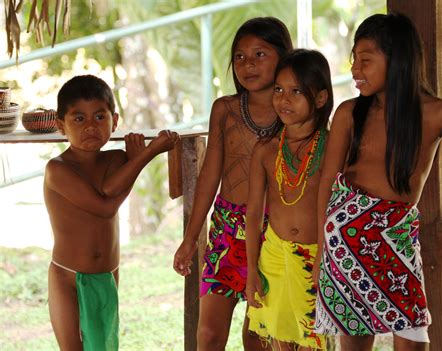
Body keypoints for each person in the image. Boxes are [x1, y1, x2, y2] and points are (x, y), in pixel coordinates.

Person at [314, 13, 442, 351]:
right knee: (354, 344)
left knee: (413, 338)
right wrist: (320, 254)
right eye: (354, 60)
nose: (356, 69)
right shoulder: (348, 113)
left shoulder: (437, 113)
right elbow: (327, 184)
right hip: (344, 243)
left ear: (398, 59)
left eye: (366, 60)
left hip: (396, 238)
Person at [173, 17, 293, 350]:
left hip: (275, 233)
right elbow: (210, 174)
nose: (248, 64)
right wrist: (190, 238)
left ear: (284, 57)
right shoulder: (225, 109)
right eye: (239, 57)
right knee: (208, 334)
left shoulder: (294, 111)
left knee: (259, 335)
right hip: (228, 230)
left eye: (259, 54)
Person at [44, 74, 179, 351]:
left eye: (99, 117)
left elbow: (111, 187)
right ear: (61, 126)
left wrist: (133, 160)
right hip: (67, 277)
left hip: (107, 274)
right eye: (78, 119)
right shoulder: (58, 170)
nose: (90, 127)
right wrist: (145, 155)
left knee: (104, 346)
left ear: (114, 121)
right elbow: (105, 206)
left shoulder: (116, 159)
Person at [245, 49, 331, 351]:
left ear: (320, 98)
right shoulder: (266, 150)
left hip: (316, 258)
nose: (284, 99)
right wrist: (252, 270)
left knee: (315, 342)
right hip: (273, 257)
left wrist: (326, 258)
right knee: (280, 342)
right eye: (279, 89)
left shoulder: (333, 148)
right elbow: (254, 213)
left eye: (296, 91)